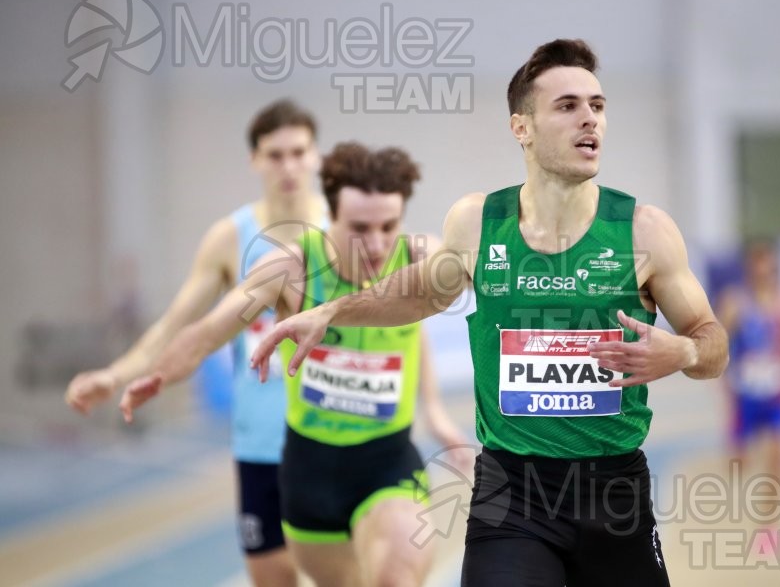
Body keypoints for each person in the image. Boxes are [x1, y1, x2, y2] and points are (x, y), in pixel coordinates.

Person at [249, 39, 729, 587]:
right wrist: (328, 311)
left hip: (614, 495)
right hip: (513, 493)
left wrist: (685, 350)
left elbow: (712, 343)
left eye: (596, 105)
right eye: (567, 106)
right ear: (521, 127)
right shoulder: (479, 221)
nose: (588, 119)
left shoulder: (644, 230)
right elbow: (421, 294)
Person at [120, 142, 470, 587]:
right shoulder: (291, 269)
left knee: (395, 577)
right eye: (361, 227)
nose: (379, 243)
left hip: (388, 462)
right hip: (310, 473)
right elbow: (211, 330)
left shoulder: (419, 258)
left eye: (389, 225)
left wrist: (434, 410)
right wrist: (159, 375)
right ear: (331, 214)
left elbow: (422, 324)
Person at [65, 99, 324, 587]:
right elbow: (176, 324)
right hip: (260, 444)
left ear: (315, 156)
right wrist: (116, 374)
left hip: (332, 436)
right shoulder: (231, 238)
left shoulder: (343, 230)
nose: (288, 166)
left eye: (298, 152)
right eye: (275, 154)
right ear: (255, 160)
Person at [718, 241, 780, 552]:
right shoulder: (735, 302)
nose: (762, 270)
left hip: (776, 393)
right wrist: (726, 388)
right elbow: (719, 344)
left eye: (767, 263)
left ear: (774, 266)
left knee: (779, 457)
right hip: (745, 394)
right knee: (740, 463)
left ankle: (770, 525)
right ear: (750, 267)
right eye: (757, 263)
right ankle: (734, 514)